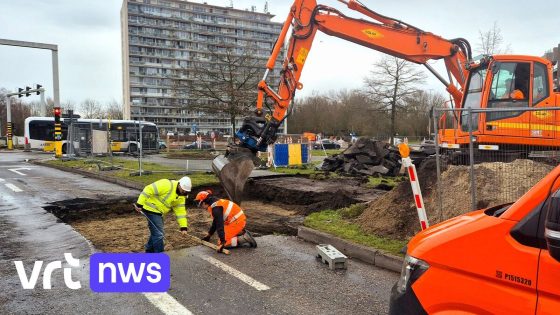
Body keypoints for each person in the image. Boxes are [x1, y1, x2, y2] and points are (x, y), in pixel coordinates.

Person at [134, 176, 191, 253]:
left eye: (186, 192)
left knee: (156, 232)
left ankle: (149, 251)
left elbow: (180, 212)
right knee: (159, 234)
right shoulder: (166, 184)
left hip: (159, 212)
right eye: (183, 190)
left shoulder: (181, 196)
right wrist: (139, 204)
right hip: (150, 209)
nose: (184, 193)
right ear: (179, 185)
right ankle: (160, 255)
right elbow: (148, 189)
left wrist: (183, 227)